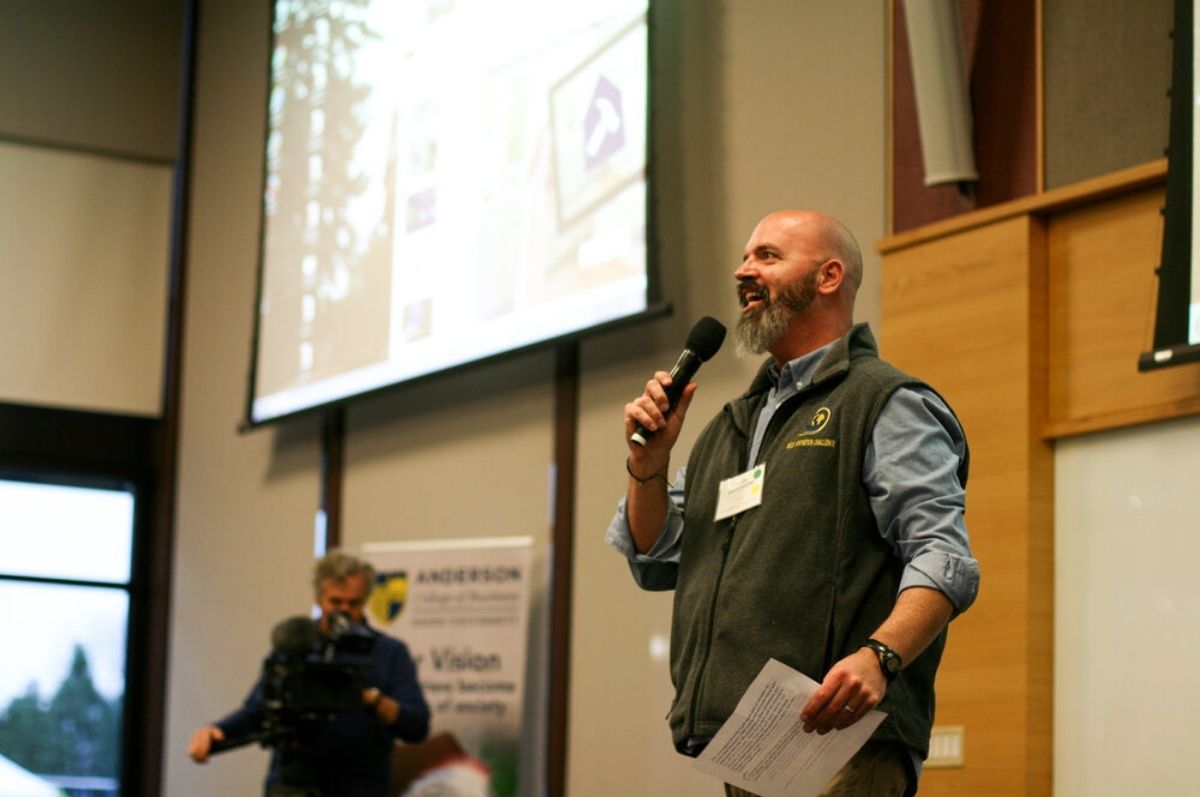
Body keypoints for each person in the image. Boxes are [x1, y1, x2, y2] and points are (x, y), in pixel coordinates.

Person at [605, 210, 979, 797]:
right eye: (746, 256)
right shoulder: (729, 427)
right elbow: (656, 554)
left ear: (829, 277)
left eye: (768, 256)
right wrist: (647, 468)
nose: (742, 271)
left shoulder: (883, 403)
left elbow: (943, 556)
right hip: (750, 750)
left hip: (845, 741)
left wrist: (879, 658)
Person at [188, 550, 430, 797]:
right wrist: (217, 731)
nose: (344, 611)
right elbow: (258, 709)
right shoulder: (294, 646)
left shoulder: (388, 653)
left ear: (366, 599)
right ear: (318, 598)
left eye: (353, 603)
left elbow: (417, 724)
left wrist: (373, 701)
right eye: (335, 602)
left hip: (359, 786)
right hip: (292, 785)